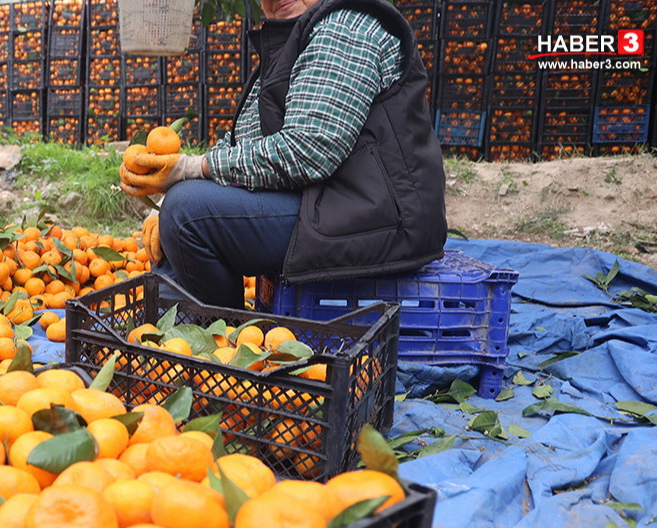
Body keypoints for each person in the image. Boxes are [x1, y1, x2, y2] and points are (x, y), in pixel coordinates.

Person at [120, 0, 446, 309]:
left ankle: (219, 344)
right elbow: (244, 144)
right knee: (176, 213)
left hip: (376, 218)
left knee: (187, 213)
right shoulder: (298, 38)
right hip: (328, 204)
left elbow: (308, 151)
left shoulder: (346, 26)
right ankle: (165, 336)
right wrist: (163, 202)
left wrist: (191, 172)